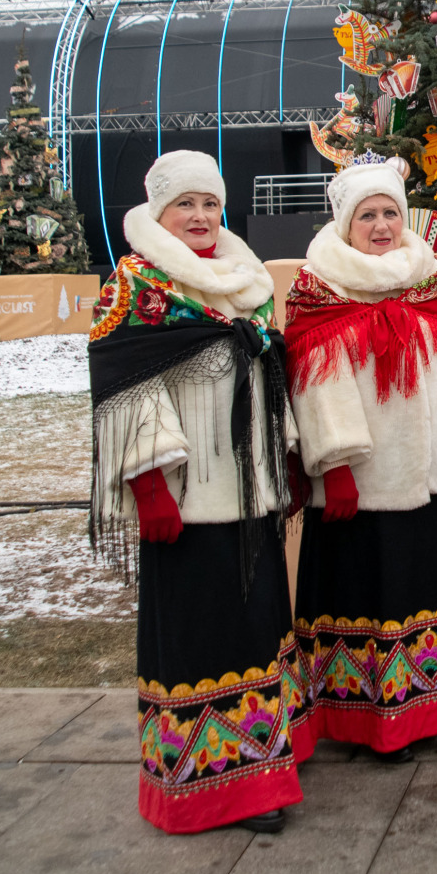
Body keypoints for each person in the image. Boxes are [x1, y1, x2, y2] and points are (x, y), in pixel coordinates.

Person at [87, 149, 303, 834]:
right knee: (202, 639)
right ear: (159, 211)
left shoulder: (245, 281)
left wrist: (286, 454)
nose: (202, 216)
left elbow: (272, 371)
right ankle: (207, 786)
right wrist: (148, 479)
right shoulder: (137, 284)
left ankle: (260, 765)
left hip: (251, 492)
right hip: (188, 500)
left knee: (254, 630)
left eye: (210, 203)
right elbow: (126, 385)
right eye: (186, 204)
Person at [283, 158, 437, 762]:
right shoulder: (320, 287)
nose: (383, 224)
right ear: (346, 225)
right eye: (368, 214)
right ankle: (356, 720)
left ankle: (419, 709)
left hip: (417, 477)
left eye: (391, 212)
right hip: (356, 485)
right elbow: (314, 382)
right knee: (356, 593)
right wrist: (334, 464)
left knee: (415, 588)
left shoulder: (430, 280)